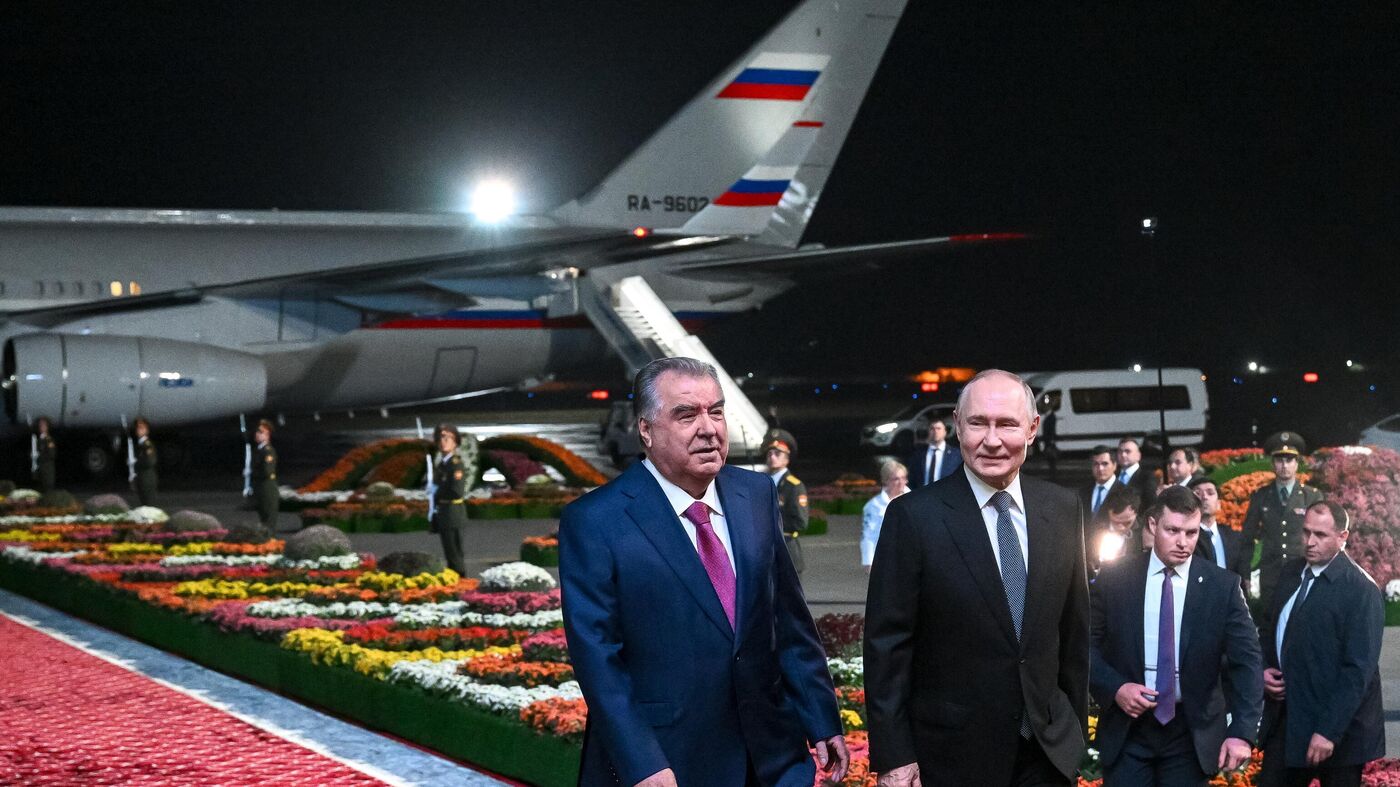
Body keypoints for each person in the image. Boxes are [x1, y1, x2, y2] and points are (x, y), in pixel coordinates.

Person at [559, 357, 847, 787]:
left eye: (716, 411)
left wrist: (820, 715)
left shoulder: (756, 494)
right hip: (669, 762)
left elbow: (788, 619)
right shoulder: (596, 520)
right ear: (646, 430)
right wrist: (643, 763)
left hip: (773, 758)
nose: (709, 428)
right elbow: (597, 659)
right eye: (686, 415)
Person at [865, 369, 1089, 787]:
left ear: (1033, 428)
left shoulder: (1062, 509)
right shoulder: (914, 518)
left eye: (1007, 424)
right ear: (957, 425)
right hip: (951, 759)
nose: (992, 440)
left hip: (1047, 757)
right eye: (978, 423)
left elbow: (1074, 634)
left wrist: (1073, 738)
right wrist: (894, 755)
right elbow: (887, 647)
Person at [1089, 486, 1263, 787]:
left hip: (1191, 733)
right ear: (1152, 525)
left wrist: (1242, 733)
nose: (1183, 542)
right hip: (1128, 731)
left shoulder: (1222, 586)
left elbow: (1247, 661)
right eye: (1173, 531)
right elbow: (1083, 646)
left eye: (1191, 533)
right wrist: (1115, 688)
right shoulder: (1115, 578)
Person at [1257, 501, 1385, 787]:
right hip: (1288, 718)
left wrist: (1329, 731)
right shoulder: (1290, 573)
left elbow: (1358, 671)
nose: (1310, 542)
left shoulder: (1360, 589)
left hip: (1339, 732)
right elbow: (1267, 629)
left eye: (1320, 535)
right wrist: (1263, 669)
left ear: (1343, 537)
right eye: (1306, 532)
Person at [1243, 431, 1323, 603]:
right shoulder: (1261, 496)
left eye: (1289, 460)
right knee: (1270, 618)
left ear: (1297, 463)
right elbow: (1247, 538)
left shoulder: (1311, 496)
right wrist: (1245, 574)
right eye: (1279, 460)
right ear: (1273, 464)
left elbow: (1321, 536)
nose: (1284, 465)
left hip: (1302, 571)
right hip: (1271, 575)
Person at [1188, 477, 1251, 592]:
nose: (1204, 497)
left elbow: (1241, 578)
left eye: (1210, 493)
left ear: (1219, 504)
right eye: (1198, 493)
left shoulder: (1234, 537)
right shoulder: (1187, 538)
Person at [763, 428, 810, 575]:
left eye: (777, 454)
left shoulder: (794, 486)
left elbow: (801, 522)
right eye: (769, 453)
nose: (772, 457)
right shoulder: (763, 483)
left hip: (787, 548)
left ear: (787, 459)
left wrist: (772, 525)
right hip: (766, 551)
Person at [430, 424, 470, 576]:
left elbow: (456, 491)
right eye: (440, 438)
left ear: (455, 442)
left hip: (453, 513)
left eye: (447, 438)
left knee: (455, 556)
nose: (443, 442)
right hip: (444, 513)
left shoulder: (455, 464)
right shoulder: (443, 464)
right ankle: (457, 582)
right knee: (450, 554)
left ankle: (462, 583)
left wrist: (436, 491)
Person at [861, 460, 908, 575]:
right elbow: (868, 535)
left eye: (903, 478)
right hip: (886, 559)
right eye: (896, 479)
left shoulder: (916, 500)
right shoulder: (873, 505)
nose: (901, 482)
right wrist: (868, 562)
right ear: (885, 481)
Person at [1091, 485, 1145, 575]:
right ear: (1109, 512)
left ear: (1135, 514)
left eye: (1127, 523)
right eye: (1116, 522)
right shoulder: (1094, 530)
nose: (1121, 528)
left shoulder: (1143, 533)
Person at [906, 418, 960, 489]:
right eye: (932, 429)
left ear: (945, 432)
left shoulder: (956, 455)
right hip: (923, 493)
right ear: (928, 432)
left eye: (938, 428)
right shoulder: (919, 454)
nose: (935, 431)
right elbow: (912, 478)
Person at [249, 419, 279, 528]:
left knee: (268, 519)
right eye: (257, 432)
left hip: (267, 487)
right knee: (263, 518)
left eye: (261, 432)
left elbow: (267, 471)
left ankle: (270, 539)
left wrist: (252, 472)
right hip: (260, 487)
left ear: (267, 435)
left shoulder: (268, 451)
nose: (257, 434)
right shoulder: (259, 450)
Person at [1117, 437, 1158, 508]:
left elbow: (1151, 504)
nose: (1123, 455)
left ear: (1138, 455)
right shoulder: (1113, 475)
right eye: (1120, 451)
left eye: (1127, 451)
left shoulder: (1147, 477)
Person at [1081, 444, 1121, 516]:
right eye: (1096, 464)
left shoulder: (1126, 492)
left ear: (1115, 465)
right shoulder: (1082, 493)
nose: (1100, 469)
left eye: (1105, 464)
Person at [131, 417, 158, 506]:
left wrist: (136, 462)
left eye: (141, 428)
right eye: (137, 428)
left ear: (147, 430)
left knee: (148, 505)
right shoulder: (139, 444)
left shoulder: (147, 445)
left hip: (147, 479)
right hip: (141, 478)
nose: (139, 430)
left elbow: (150, 461)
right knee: (144, 504)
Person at [31, 416, 56, 493]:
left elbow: (51, 454)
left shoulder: (49, 440)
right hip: (38, 469)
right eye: (40, 425)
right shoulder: (38, 439)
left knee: (47, 490)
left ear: (47, 427)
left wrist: (39, 456)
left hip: (46, 469)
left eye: (43, 425)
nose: (41, 427)